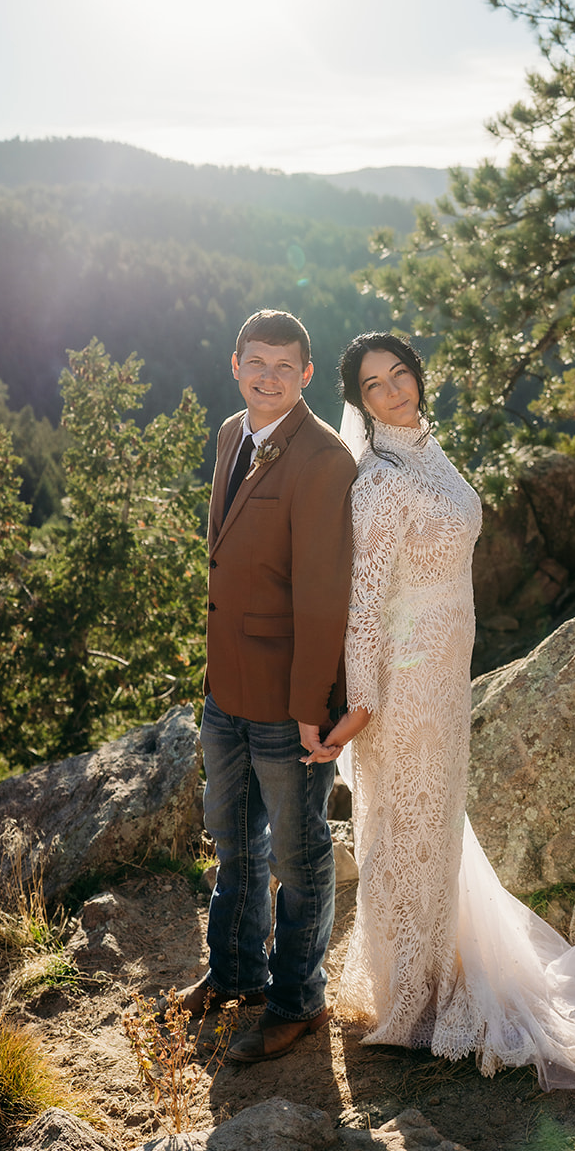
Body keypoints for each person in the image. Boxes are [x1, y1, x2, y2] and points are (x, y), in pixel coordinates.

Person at [314, 332, 575, 1089]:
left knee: (434, 825)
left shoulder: (428, 453)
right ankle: (412, 998)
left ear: (417, 377)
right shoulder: (375, 482)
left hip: (444, 673)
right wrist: (363, 702)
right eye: (373, 384)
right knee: (404, 829)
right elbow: (364, 607)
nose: (393, 390)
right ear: (357, 400)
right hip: (402, 686)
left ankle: (438, 971)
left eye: (400, 374)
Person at [171, 309, 358, 1065]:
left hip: (289, 699)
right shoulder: (228, 434)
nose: (269, 376)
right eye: (257, 362)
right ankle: (235, 972)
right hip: (226, 691)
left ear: (306, 374)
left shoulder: (324, 460)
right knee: (232, 839)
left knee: (299, 854)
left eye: (285, 366)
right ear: (235, 363)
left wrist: (314, 706)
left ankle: (296, 1001)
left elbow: (322, 596)